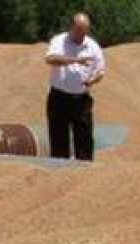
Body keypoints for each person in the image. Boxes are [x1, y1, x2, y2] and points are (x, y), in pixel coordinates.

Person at [44, 13, 106, 161]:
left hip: (81, 99)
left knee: (84, 139)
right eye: (78, 30)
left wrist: (93, 81)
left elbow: (101, 71)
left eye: (84, 31)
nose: (81, 35)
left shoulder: (93, 46)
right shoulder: (59, 41)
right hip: (59, 97)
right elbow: (50, 59)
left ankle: (84, 173)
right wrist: (75, 60)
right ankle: (59, 173)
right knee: (59, 139)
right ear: (71, 27)